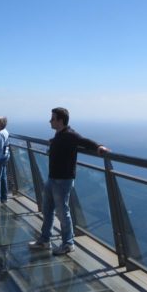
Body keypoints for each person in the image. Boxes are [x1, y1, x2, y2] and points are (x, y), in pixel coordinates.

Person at [28, 107, 109, 255]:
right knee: (47, 211)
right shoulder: (59, 135)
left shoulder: (70, 135)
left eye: (52, 118)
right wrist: (53, 142)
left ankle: (68, 244)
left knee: (62, 213)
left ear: (60, 120)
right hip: (52, 179)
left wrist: (98, 146)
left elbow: (84, 141)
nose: (50, 121)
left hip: (62, 181)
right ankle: (45, 241)